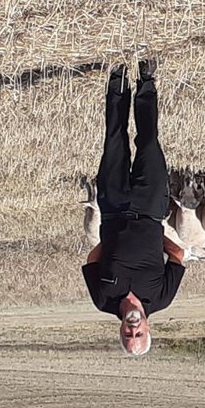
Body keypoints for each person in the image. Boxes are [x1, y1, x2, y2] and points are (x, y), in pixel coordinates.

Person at [82, 61, 186, 356]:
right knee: (149, 143)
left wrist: (114, 240)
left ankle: (117, 80)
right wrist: (153, 235)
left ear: (120, 331)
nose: (133, 329)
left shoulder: (103, 301)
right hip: (150, 207)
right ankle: (146, 81)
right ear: (148, 329)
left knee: (114, 141)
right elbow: (177, 257)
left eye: (128, 334)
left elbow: (92, 260)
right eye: (138, 334)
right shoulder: (162, 299)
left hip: (113, 206)